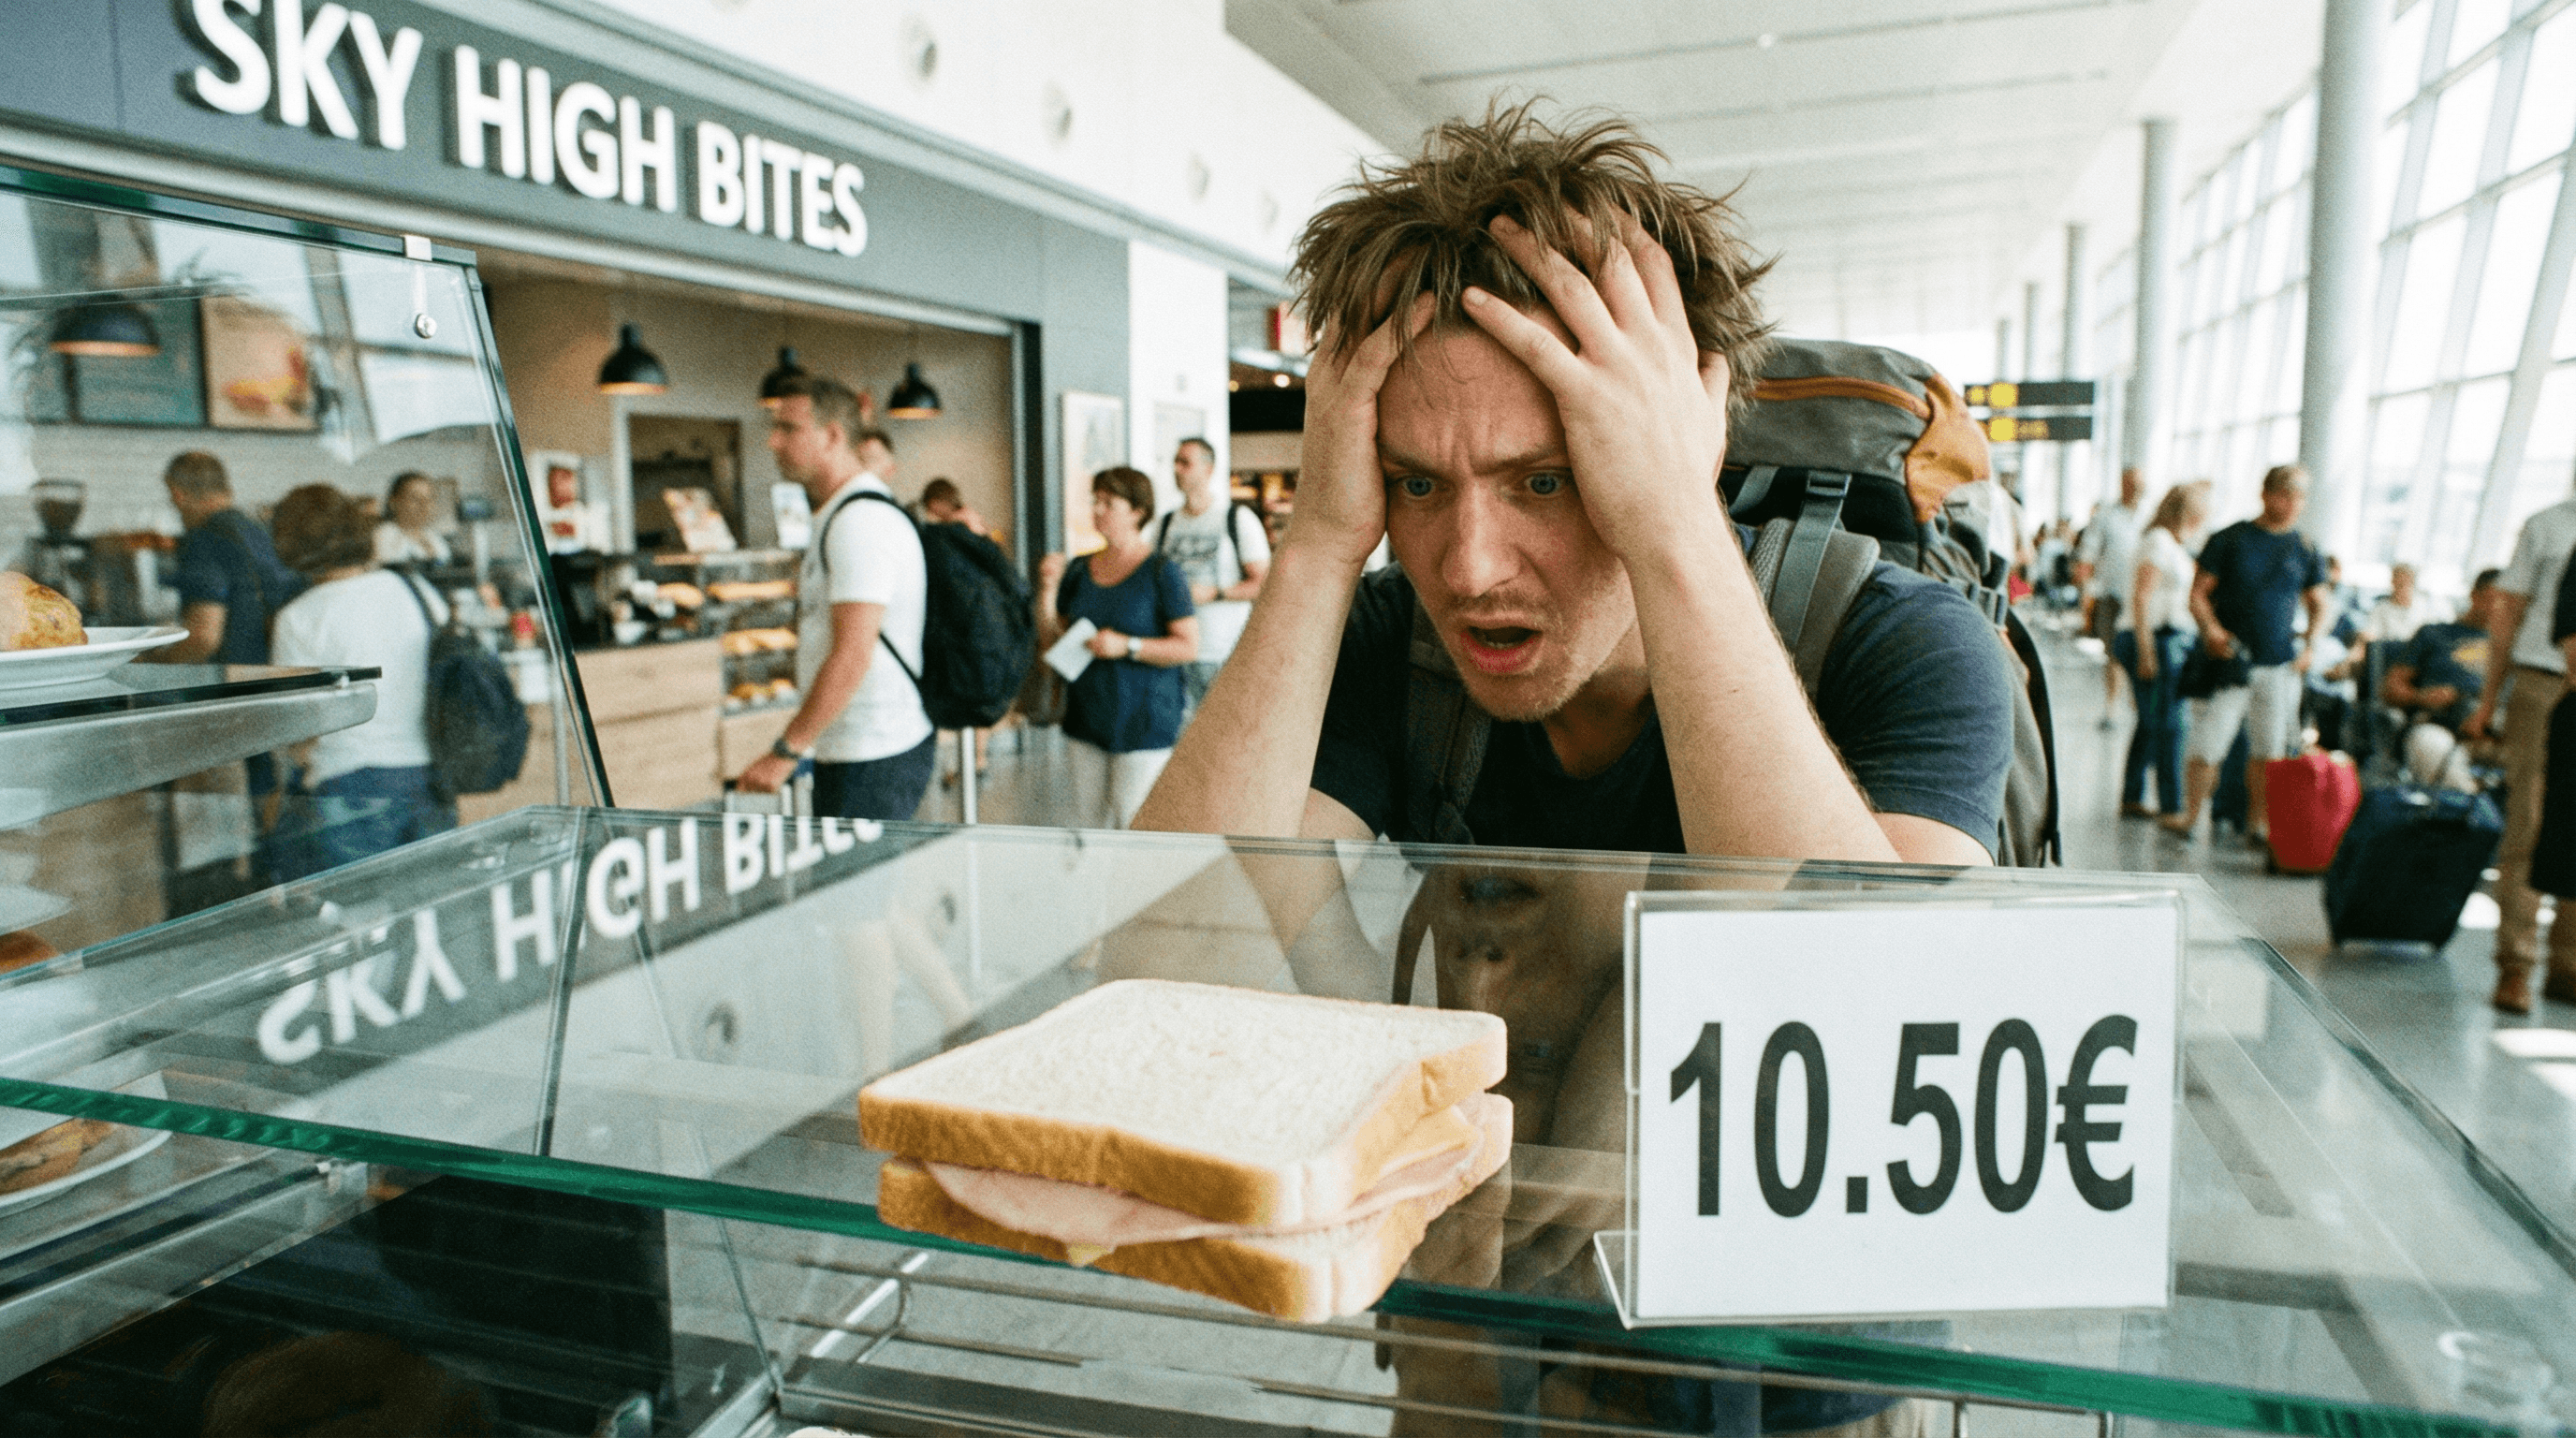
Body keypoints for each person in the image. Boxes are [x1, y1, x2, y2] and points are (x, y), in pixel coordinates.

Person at [1134, 104, 2015, 866]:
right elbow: (1159, 956)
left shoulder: (1904, 645)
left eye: (1545, 482)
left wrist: (1673, 522)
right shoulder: (1381, 646)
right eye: (1418, 486)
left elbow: (1879, 1001)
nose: (1470, 571)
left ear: (1685, 435)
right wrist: (1322, 547)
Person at [734, 377, 935, 822]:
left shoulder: (859, 521)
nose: (773, 441)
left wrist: (787, 750)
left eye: (788, 429)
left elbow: (853, 653)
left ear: (833, 436)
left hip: (873, 753)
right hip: (856, 749)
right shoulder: (838, 513)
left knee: (861, 892)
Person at [264, 485, 455, 878]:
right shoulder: (413, 589)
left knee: (362, 918)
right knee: (429, 911)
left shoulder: (298, 618)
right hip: (425, 774)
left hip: (347, 784)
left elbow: (299, 730)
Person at [2163, 464, 2328, 841]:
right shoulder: (2230, 539)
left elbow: (2319, 602)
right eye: (2284, 495)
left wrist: (2310, 645)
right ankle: (2192, 816)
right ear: (2266, 494)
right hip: (2231, 661)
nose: (2290, 504)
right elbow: (2198, 594)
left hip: (2279, 663)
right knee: (2209, 744)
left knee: (2268, 749)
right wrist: (2212, 630)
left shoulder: (2304, 548)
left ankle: (2258, 823)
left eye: (2298, 497)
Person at [2465, 481, 2576, 1014]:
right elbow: (2506, 615)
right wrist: (2489, 700)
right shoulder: (2548, 525)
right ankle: (2517, 963)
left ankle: (2569, 963)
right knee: (2529, 823)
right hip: (2543, 684)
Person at [1036, 466, 1199, 828]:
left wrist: (1127, 645)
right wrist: (1047, 590)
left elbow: (1187, 647)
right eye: (1096, 501)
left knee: (1133, 822)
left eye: (1109, 503)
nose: (1097, 509)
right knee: (1089, 825)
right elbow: (1053, 643)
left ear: (1138, 512)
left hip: (1144, 722)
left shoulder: (1162, 571)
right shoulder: (1079, 569)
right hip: (1087, 718)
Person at [1156, 436, 1271, 719]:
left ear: (1208, 469)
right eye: (1175, 462)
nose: (1177, 469)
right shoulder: (1166, 523)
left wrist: (1215, 593)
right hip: (1174, 651)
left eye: (1185, 462)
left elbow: (1265, 584)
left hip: (1223, 650)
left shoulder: (1236, 519)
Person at [2114, 481, 2209, 821]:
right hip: (2153, 641)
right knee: (2169, 724)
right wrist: (2147, 653)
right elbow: (2142, 597)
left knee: (2151, 720)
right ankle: (2171, 805)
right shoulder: (2158, 542)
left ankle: (2132, 795)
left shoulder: (2169, 543)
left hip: (2160, 640)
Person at [156, 450, 303, 666]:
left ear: (178, 495)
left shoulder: (204, 539)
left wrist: (152, 663)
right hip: (279, 672)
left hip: (235, 682)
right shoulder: (261, 529)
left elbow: (204, 638)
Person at [2383, 568, 2499, 792]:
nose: (2499, 611)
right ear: (2475, 595)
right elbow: (2390, 688)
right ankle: (2475, 808)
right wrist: (2422, 696)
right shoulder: (2433, 634)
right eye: (2494, 601)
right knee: (2430, 746)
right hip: (2438, 724)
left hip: (2489, 729)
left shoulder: (2509, 651)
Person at [2075, 468, 2145, 712]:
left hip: (2141, 597)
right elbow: (2088, 555)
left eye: (2139, 484)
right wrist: (2086, 594)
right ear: (2122, 484)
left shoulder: (2149, 517)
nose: (2136, 489)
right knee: (2114, 653)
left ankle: (2137, 705)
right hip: (2111, 596)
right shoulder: (2107, 516)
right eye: (2131, 483)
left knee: (2141, 652)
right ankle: (2111, 706)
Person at [373, 471, 453, 566]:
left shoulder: (434, 537)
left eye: (429, 499)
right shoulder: (384, 534)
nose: (424, 505)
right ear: (394, 502)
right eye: (415, 498)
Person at [2362, 563, 2437, 648]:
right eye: (2396, 582)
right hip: (2390, 650)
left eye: (2404, 583)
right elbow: (2371, 632)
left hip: (2418, 651)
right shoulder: (2381, 607)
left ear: (2412, 583)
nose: (2400, 588)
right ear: (2392, 582)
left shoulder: (2425, 606)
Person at [919, 477, 998, 544]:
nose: (930, 512)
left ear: (937, 503)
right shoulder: (966, 514)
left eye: (930, 507)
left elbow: (990, 536)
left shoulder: (959, 520)